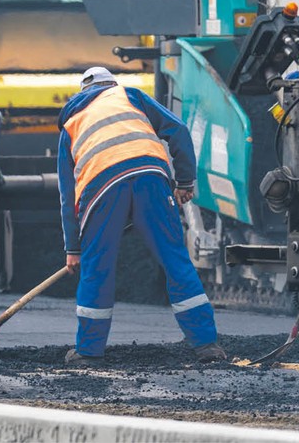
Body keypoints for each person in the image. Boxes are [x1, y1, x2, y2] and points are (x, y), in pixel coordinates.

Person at [58, 67, 224, 365]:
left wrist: (73, 248)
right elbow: (179, 131)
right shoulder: (130, 96)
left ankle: (88, 351)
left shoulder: (71, 122)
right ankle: (207, 345)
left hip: (100, 188)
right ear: (111, 84)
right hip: (151, 177)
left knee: (98, 268)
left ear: (82, 93)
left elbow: (67, 194)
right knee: (176, 260)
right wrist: (185, 181)